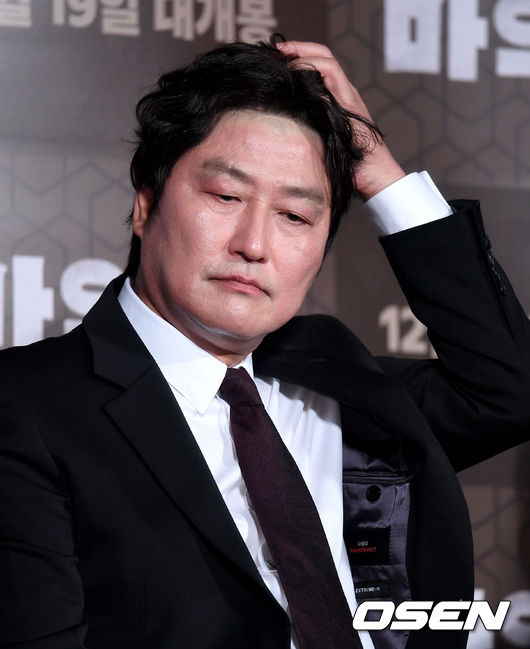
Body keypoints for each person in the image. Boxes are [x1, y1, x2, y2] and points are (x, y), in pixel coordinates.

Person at [0, 39, 529, 649]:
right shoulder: (28, 405)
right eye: (226, 197)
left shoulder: (345, 390)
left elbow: (509, 388)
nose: (254, 243)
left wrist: (382, 176)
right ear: (145, 203)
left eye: (296, 217)